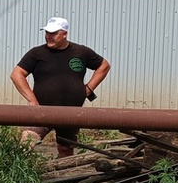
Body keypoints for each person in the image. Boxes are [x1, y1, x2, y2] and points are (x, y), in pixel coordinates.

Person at [10, 16, 111, 158]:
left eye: (53, 33)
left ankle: (63, 177)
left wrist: (88, 89)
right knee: (26, 144)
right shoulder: (37, 53)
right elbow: (16, 74)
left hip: (70, 113)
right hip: (42, 111)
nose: (48, 37)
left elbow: (104, 65)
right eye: (47, 33)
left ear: (64, 34)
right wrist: (32, 101)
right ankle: (22, 177)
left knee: (66, 151)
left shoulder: (81, 52)